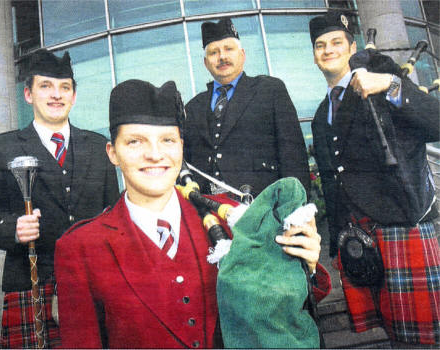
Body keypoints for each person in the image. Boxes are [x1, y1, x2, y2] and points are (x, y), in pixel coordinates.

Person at [55, 79, 330, 348]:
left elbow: (282, 309)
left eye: (167, 140)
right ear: (113, 153)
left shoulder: (233, 217)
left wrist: (304, 266)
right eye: (135, 142)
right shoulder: (80, 248)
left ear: (181, 148)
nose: (155, 154)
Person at [309, 11, 440, 347]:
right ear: (313, 55)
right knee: (391, 332)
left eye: (336, 42)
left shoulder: (380, 75)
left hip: (400, 223)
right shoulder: (321, 116)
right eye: (320, 45)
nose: (328, 50)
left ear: (352, 46)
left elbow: (435, 122)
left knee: (420, 340)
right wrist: (338, 236)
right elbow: (330, 177)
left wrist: (393, 85)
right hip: (358, 234)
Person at [0, 49, 120, 348]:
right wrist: (12, 229)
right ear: (28, 94)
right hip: (31, 284)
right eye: (46, 86)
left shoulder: (100, 148)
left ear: (73, 97)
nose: (56, 95)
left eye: (65, 88)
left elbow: (114, 216)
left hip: (93, 283)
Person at [184, 18, 310, 197]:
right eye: (214, 52)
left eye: (229, 49)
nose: (222, 57)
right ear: (205, 62)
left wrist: (297, 210)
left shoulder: (269, 90)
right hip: (208, 215)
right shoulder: (192, 107)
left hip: (263, 211)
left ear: (242, 55)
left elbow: (294, 157)